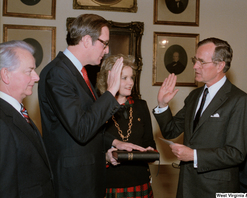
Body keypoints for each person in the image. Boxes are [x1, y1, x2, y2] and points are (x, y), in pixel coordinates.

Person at [38, 14, 146, 198]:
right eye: (104, 43)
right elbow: (81, 129)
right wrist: (111, 92)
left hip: (88, 176)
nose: (107, 50)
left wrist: (115, 142)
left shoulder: (79, 73)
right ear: (87, 40)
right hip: (74, 181)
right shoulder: (58, 74)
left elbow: (90, 120)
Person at [153, 37, 247, 198]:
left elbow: (236, 153)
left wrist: (194, 155)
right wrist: (162, 105)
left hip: (215, 189)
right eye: (195, 60)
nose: (195, 66)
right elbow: (170, 131)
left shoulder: (239, 100)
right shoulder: (194, 96)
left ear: (220, 65)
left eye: (201, 62)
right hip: (186, 186)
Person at [0, 40, 55, 197]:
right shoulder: (2, 121)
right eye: (29, 71)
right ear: (6, 75)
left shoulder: (17, 111)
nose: (36, 78)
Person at [97, 54, 156, 198]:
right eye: (124, 78)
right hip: (109, 183)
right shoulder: (97, 108)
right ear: (109, 79)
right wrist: (105, 157)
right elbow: (91, 148)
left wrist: (149, 152)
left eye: (132, 77)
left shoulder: (141, 106)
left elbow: (150, 142)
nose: (130, 82)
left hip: (140, 181)